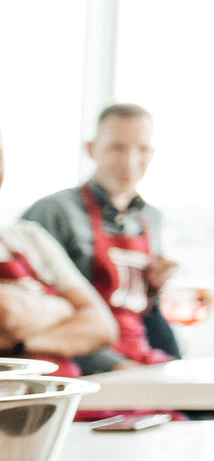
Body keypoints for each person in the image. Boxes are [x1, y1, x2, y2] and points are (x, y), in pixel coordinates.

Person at [21, 103, 183, 366]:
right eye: (117, 147)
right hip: (80, 362)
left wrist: (153, 287)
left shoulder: (151, 219)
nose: (129, 161)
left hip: (140, 356)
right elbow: (34, 313)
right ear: (91, 149)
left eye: (141, 149)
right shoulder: (55, 212)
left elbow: (142, 313)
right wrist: (113, 365)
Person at [0, 128, 120, 374]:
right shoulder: (53, 211)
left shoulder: (28, 236)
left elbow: (102, 326)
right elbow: (7, 312)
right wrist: (64, 309)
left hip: (65, 400)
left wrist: (21, 345)